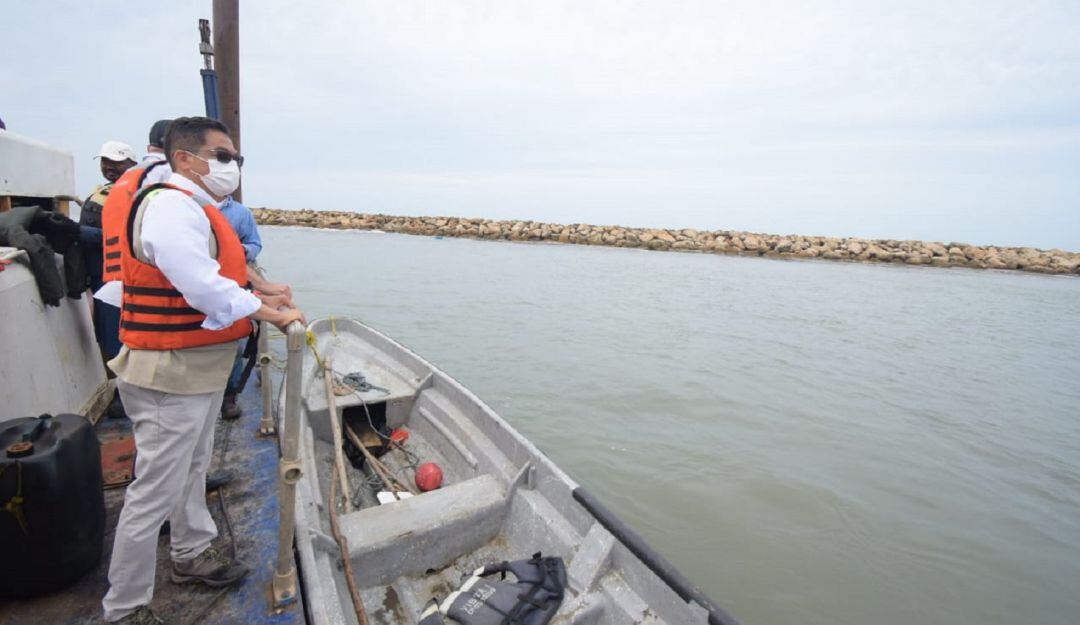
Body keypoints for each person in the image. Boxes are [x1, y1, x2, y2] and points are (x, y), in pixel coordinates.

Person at [101, 117, 304, 625]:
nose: (231, 165)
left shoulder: (198, 207)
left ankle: (191, 553)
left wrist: (263, 291)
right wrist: (272, 314)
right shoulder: (169, 206)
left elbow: (222, 273)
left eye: (234, 157)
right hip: (169, 372)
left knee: (191, 469)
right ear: (185, 159)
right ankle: (124, 609)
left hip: (197, 370)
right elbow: (200, 285)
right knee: (152, 493)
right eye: (222, 155)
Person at [80, 141, 137, 360]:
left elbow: (131, 238)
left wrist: (80, 232)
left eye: (116, 162)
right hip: (98, 275)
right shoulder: (105, 191)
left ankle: (126, 386)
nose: (109, 167)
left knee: (118, 334)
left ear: (131, 164)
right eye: (105, 161)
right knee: (104, 333)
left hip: (118, 277)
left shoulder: (133, 193)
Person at [217, 193, 263, 419]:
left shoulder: (240, 213)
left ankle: (229, 396)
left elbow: (255, 244)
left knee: (236, 345)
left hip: (235, 286)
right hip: (199, 291)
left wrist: (241, 251)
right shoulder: (183, 206)